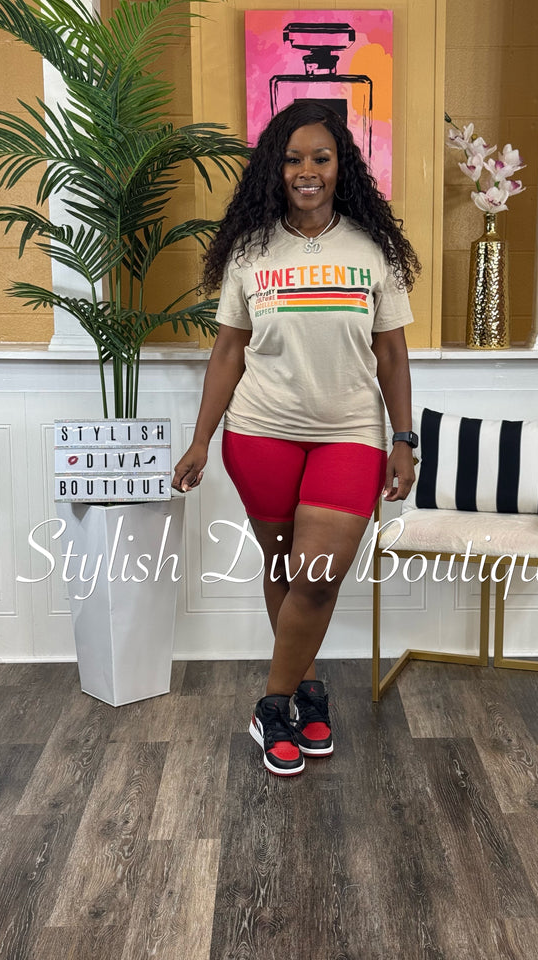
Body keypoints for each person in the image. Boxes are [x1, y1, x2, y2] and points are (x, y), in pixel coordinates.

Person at [172, 101, 421, 776]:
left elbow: (392, 355)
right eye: (292, 159)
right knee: (284, 567)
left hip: (351, 434)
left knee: (317, 577)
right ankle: (308, 691)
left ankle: (271, 704)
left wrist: (403, 439)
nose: (306, 171)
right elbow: (229, 351)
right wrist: (201, 439)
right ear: (274, 170)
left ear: (342, 167)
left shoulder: (372, 250)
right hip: (260, 432)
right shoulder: (250, 251)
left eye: (321, 158)